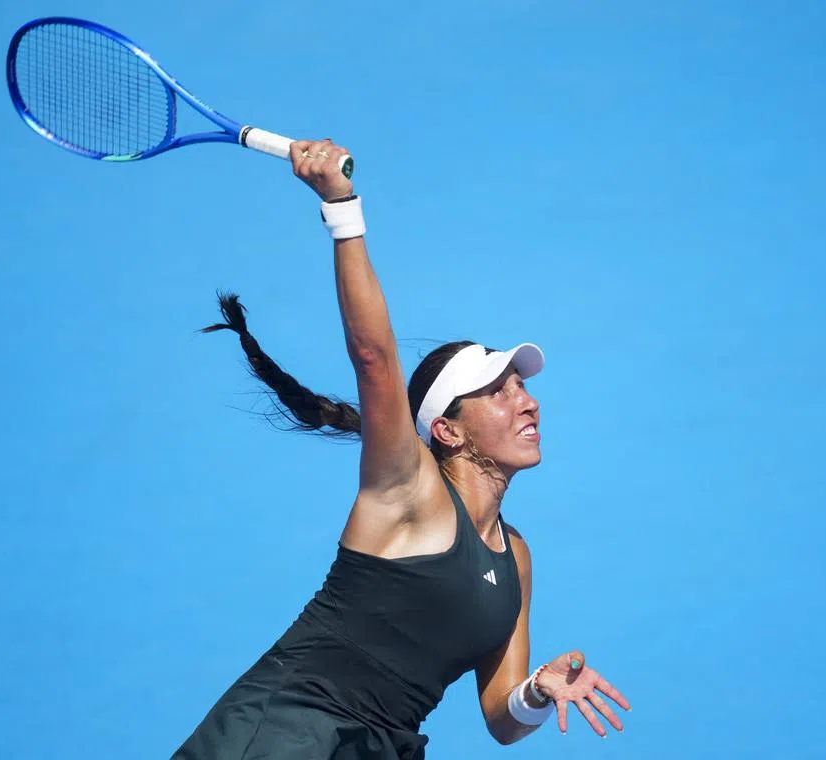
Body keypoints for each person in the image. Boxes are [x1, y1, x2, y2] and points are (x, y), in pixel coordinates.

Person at [170, 139, 630, 759]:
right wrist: (342, 208)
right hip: (288, 729)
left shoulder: (514, 557)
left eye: (523, 387)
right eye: (498, 392)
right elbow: (373, 355)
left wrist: (540, 692)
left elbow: (502, 717)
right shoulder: (407, 487)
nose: (527, 402)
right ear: (447, 431)